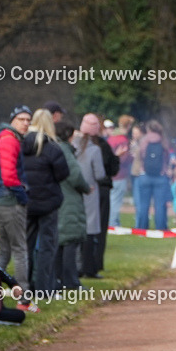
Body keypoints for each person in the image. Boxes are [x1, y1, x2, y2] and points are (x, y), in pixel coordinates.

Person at [0, 106, 32, 308]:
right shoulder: (9, 140)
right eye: (21, 119)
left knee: (5, 251)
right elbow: (8, 177)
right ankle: (24, 299)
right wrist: (23, 196)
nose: (26, 123)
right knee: (20, 250)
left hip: (0, 200)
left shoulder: (4, 137)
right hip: (10, 201)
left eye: (28, 120)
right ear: (12, 120)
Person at [22, 109, 69, 295]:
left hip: (27, 201)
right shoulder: (52, 148)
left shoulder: (21, 144)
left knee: (26, 245)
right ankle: (44, 288)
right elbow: (63, 174)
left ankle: (25, 286)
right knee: (47, 247)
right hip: (48, 202)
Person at [53, 121, 92, 290]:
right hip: (69, 200)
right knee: (70, 240)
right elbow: (75, 176)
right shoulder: (65, 151)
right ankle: (71, 281)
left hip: (60, 197)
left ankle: (59, 278)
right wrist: (86, 187)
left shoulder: (55, 148)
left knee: (61, 240)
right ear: (68, 136)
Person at [80, 114, 119, 272]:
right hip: (99, 189)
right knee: (98, 229)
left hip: (80, 190)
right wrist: (117, 158)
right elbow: (108, 171)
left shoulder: (76, 145)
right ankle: (94, 264)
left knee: (82, 227)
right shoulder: (101, 146)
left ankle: (80, 264)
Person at [74, 124, 106, 278]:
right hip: (90, 192)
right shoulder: (95, 150)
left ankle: (76, 266)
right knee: (90, 231)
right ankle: (88, 267)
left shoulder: (73, 147)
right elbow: (99, 174)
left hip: (74, 192)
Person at [135, 120, 172, 230]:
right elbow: (167, 157)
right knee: (159, 205)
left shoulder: (144, 140)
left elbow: (140, 155)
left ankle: (142, 228)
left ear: (148, 129)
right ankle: (160, 228)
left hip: (145, 175)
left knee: (143, 204)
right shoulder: (163, 140)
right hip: (160, 176)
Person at [107, 115, 135, 228]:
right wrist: (132, 157)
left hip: (111, 174)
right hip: (120, 173)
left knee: (112, 199)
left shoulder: (111, 138)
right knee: (116, 201)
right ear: (128, 126)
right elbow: (123, 159)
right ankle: (113, 223)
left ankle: (114, 222)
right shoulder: (123, 140)